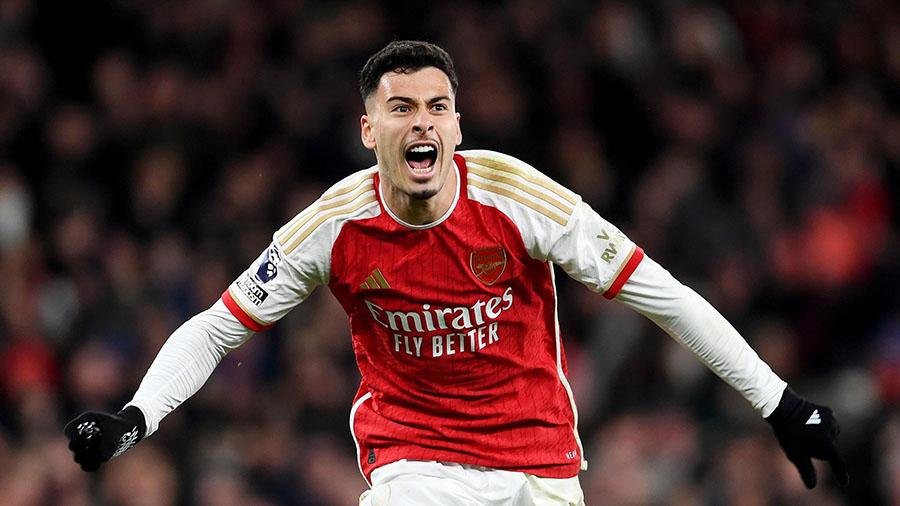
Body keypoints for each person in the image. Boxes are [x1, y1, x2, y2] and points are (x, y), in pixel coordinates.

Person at [65, 40, 848, 505]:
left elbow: (664, 298)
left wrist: (777, 402)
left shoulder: (519, 198)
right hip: (416, 463)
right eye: (402, 107)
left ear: (457, 125)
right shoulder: (333, 226)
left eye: (438, 107)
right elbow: (217, 327)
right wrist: (137, 417)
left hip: (538, 460)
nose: (423, 122)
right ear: (369, 129)